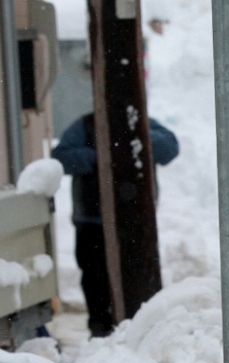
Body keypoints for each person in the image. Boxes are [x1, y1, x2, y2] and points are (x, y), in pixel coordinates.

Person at [52, 113, 180, 337]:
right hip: (92, 221)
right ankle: (100, 328)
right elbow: (61, 158)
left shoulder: (142, 124)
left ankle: (140, 327)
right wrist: (98, 155)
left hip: (135, 221)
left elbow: (170, 148)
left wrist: (135, 138)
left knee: (137, 274)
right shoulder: (84, 126)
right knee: (95, 278)